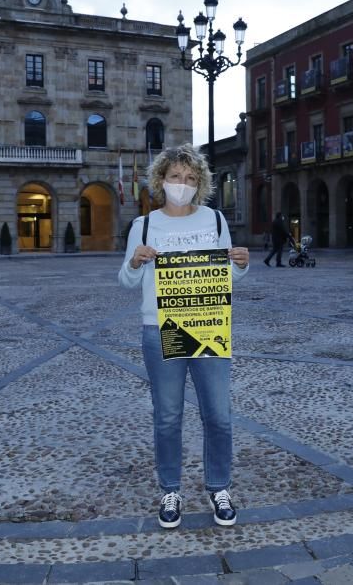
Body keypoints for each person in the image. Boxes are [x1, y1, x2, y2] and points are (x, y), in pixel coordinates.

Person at [118, 144, 250, 529]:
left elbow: (227, 274)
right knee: (168, 416)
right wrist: (135, 261)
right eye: (176, 177)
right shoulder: (143, 225)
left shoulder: (215, 220)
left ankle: (219, 486)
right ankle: (170, 489)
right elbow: (126, 281)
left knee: (219, 415)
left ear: (200, 184)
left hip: (208, 325)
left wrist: (240, 264)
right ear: (161, 180)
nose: (183, 184)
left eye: (191, 178)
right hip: (160, 329)